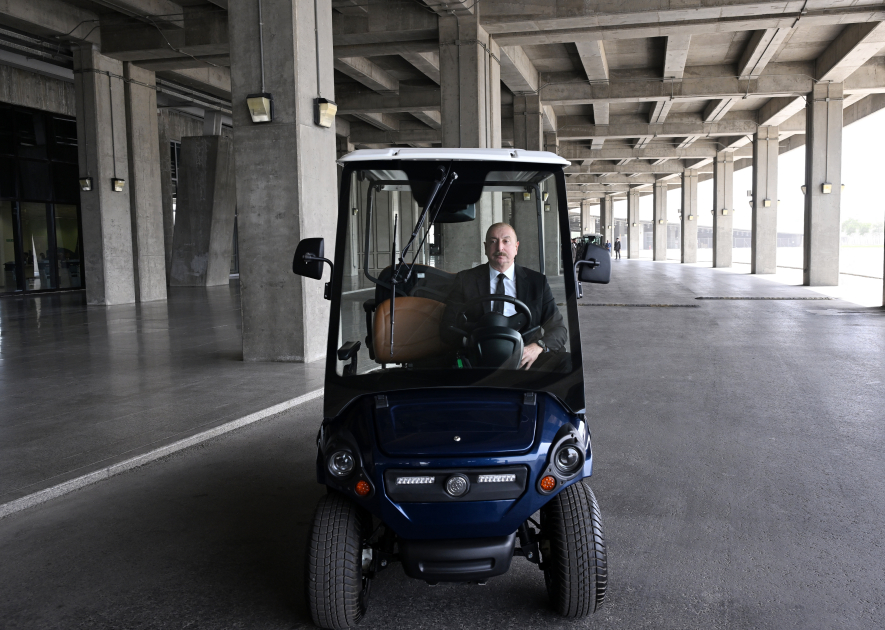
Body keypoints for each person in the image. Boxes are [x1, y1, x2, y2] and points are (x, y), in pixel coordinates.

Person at [440, 222, 568, 370]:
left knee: (567, 363)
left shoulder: (537, 282)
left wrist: (538, 347)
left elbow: (559, 329)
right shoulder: (465, 280)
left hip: (525, 359)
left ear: (516, 247)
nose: (499, 248)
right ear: (485, 247)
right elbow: (447, 327)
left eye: (506, 241)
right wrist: (471, 342)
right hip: (478, 359)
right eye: (493, 241)